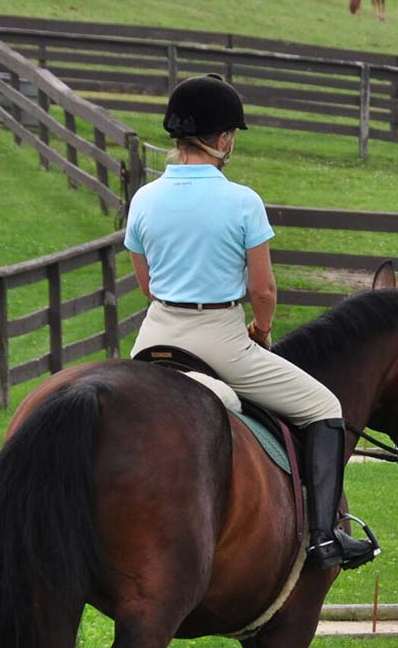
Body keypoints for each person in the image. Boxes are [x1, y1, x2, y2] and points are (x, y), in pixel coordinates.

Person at [126, 74, 378, 571]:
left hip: (152, 337)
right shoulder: (242, 201)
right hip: (220, 339)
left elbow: (147, 284)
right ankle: (325, 538)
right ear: (222, 140)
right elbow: (263, 290)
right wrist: (261, 333)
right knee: (325, 406)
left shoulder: (144, 199)